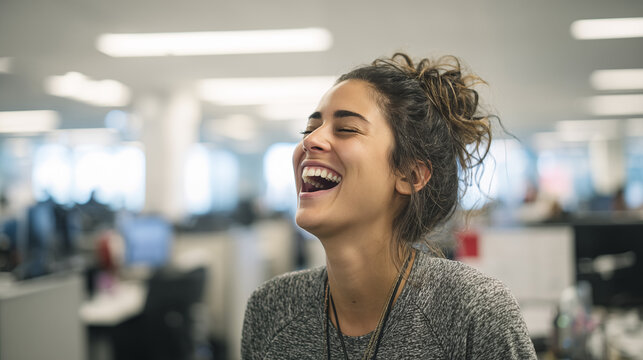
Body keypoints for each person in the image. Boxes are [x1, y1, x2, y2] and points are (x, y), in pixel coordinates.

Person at [242, 53, 536, 359]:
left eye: (346, 129)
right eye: (309, 129)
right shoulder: (271, 308)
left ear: (410, 175)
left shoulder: (474, 311)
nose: (310, 141)